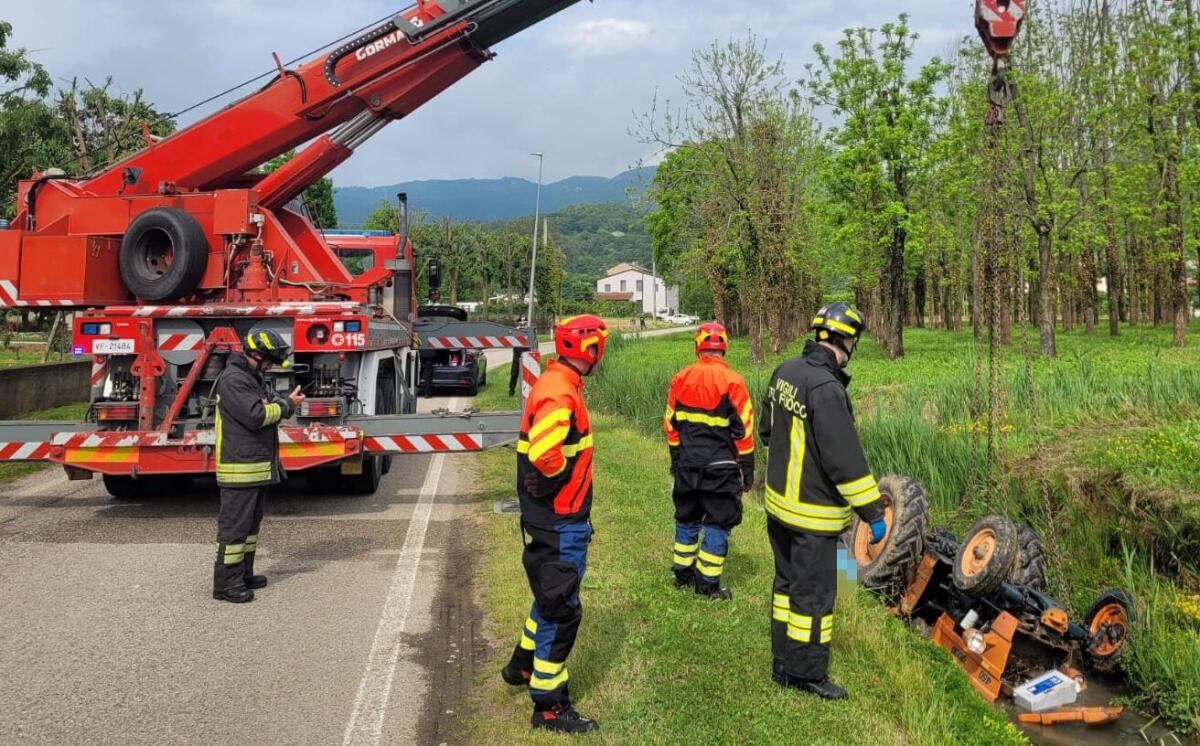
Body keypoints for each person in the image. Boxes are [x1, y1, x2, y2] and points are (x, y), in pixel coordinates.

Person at [758, 302, 887, 699]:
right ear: (847, 341)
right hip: (812, 517)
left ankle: (783, 661)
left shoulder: (785, 371)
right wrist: (873, 513)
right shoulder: (827, 390)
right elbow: (846, 463)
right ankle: (806, 673)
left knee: (786, 586)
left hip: (778, 509)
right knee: (813, 599)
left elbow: (767, 430)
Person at [501, 314, 609, 734]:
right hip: (560, 519)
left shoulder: (561, 383)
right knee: (561, 610)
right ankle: (549, 706)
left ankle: (522, 665)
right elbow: (546, 455)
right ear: (589, 349)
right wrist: (557, 477)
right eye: (598, 347)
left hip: (553, 517)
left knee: (549, 597)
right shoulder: (559, 391)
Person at [212, 329, 304, 604]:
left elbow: (269, 403)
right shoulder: (234, 380)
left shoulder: (252, 377)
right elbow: (257, 415)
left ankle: (243, 575)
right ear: (257, 354)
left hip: (255, 467)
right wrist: (287, 405)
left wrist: (281, 404)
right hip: (239, 467)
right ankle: (226, 585)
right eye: (270, 360)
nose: (272, 366)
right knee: (234, 530)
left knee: (250, 528)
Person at [663, 322, 754, 600]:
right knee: (718, 523)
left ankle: (682, 575)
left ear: (697, 346)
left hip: (687, 464)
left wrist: (676, 459)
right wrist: (748, 469)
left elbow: (671, 426)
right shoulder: (733, 382)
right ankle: (707, 585)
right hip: (721, 468)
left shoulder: (680, 378)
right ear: (724, 347)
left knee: (686, 518)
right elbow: (744, 431)